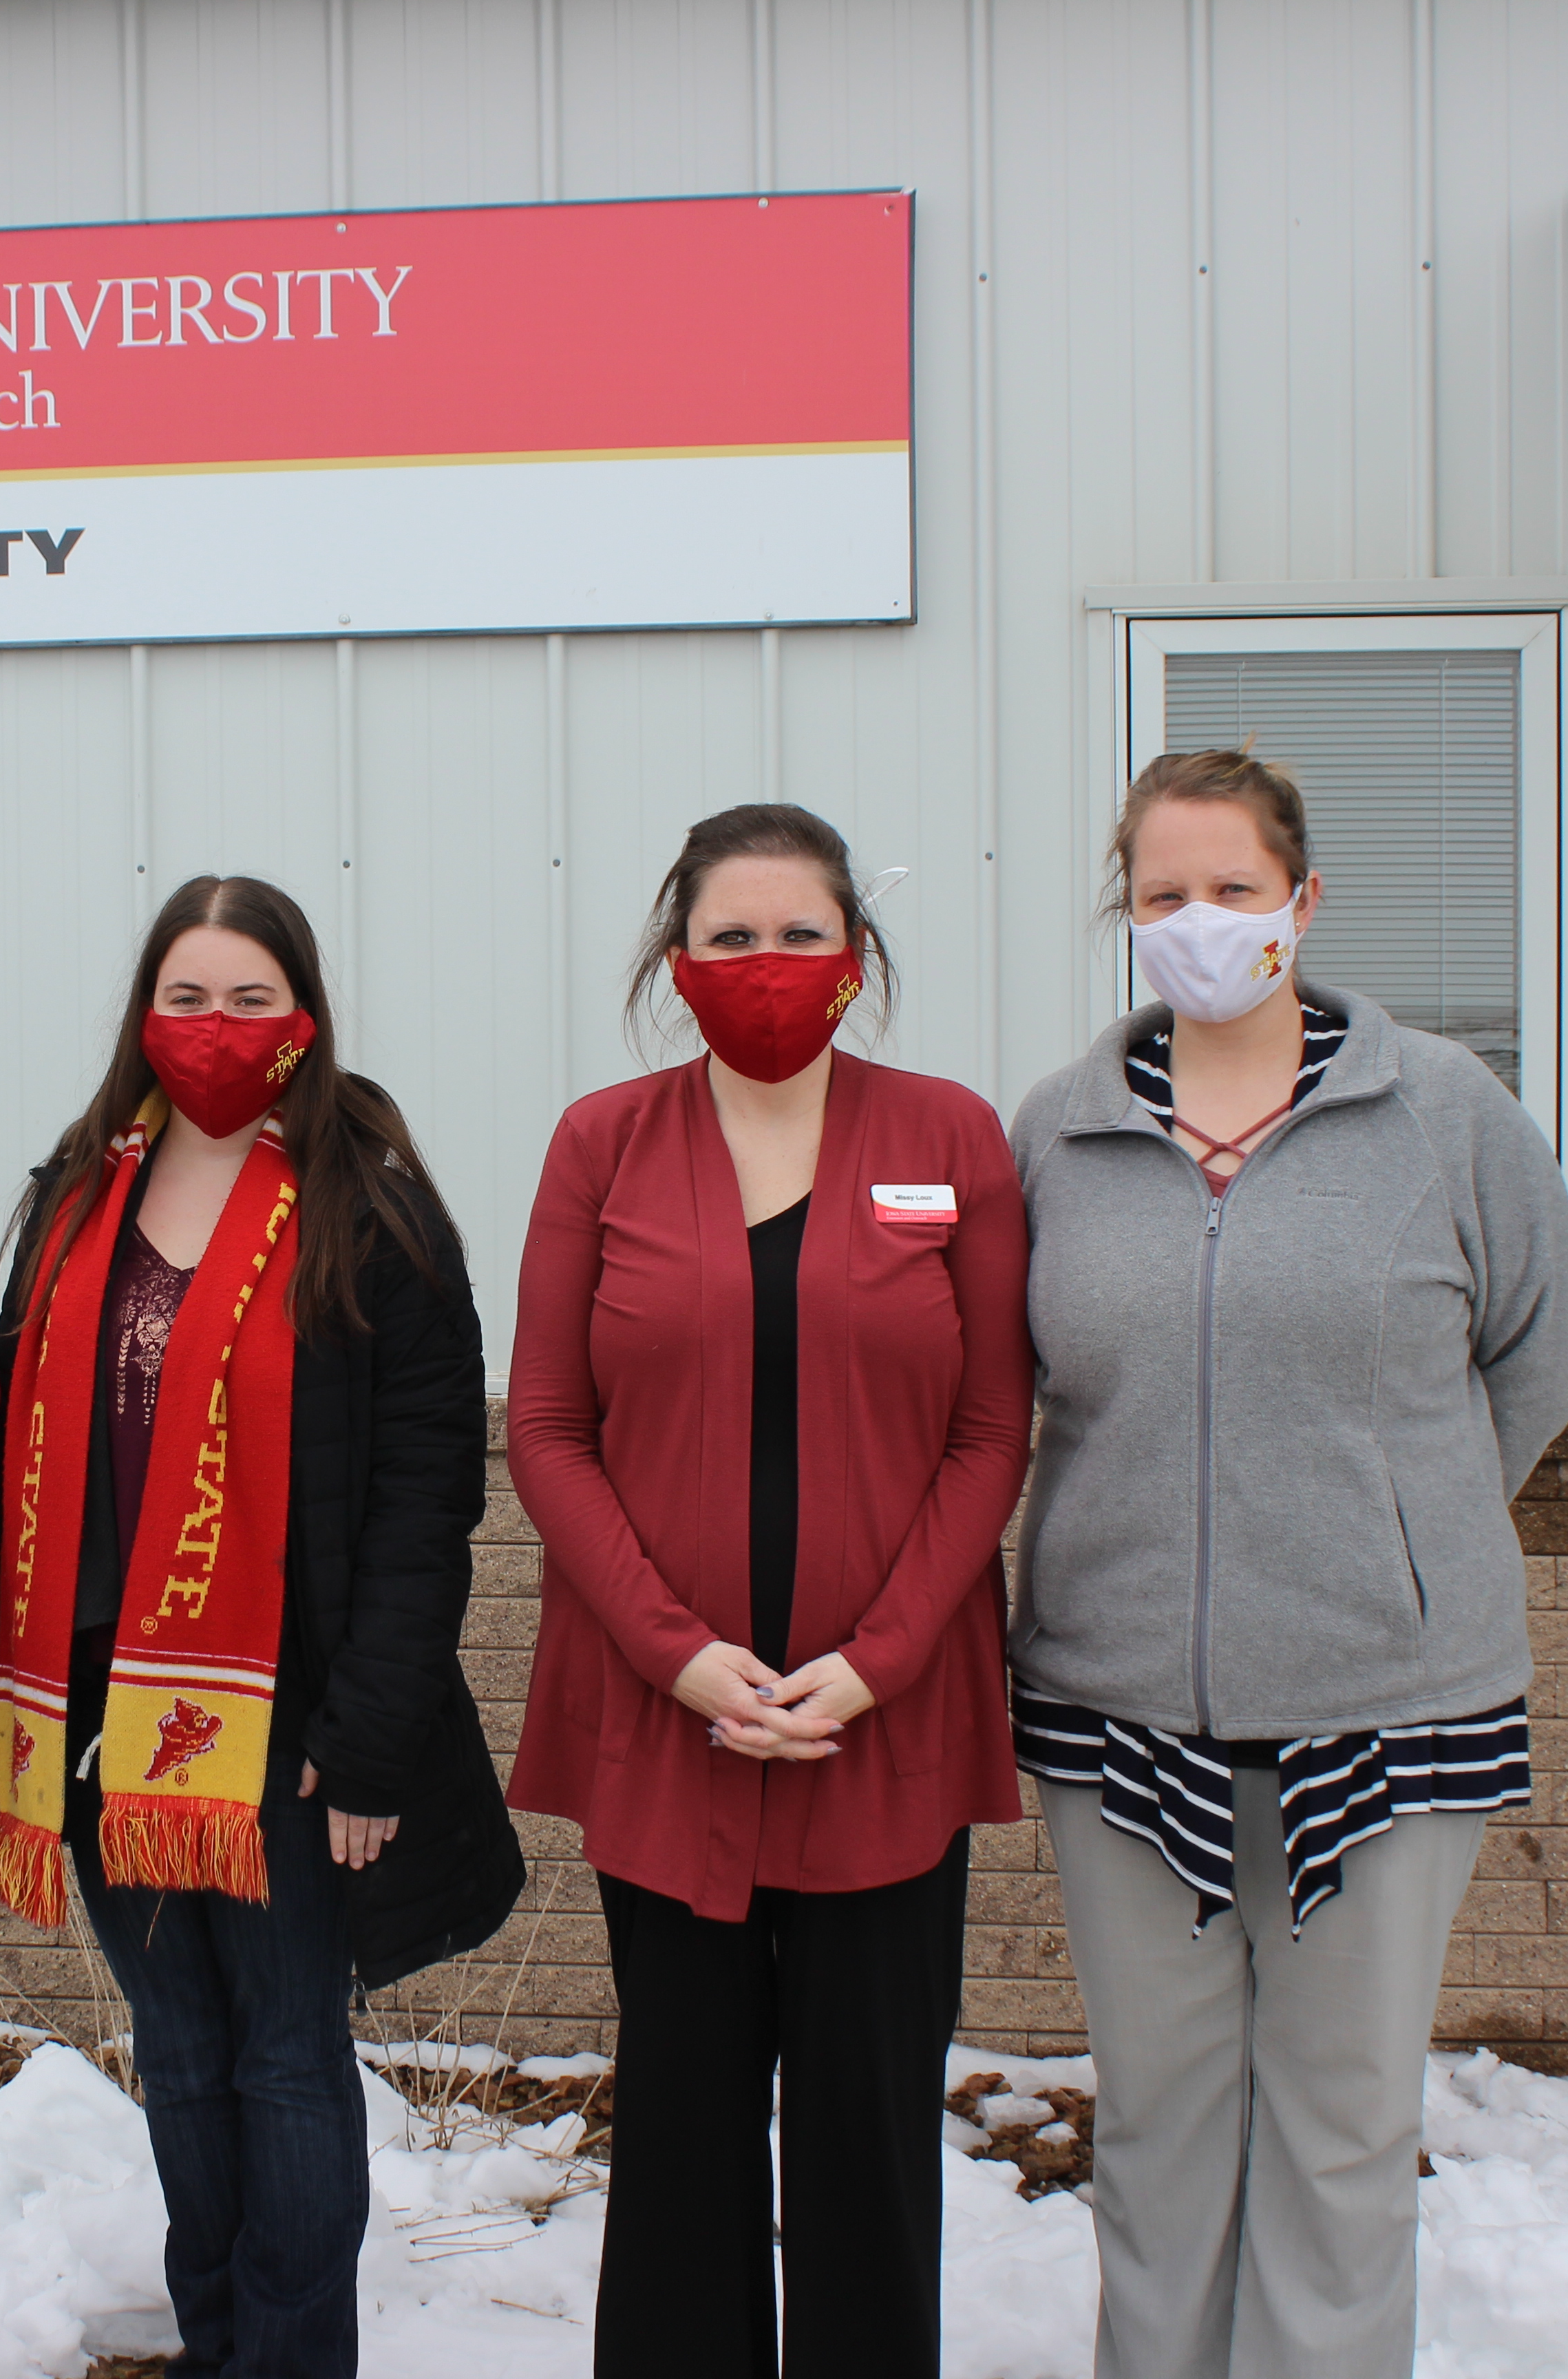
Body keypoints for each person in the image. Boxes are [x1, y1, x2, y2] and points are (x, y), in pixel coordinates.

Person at [1009, 746, 1568, 2379]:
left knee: (1341, 2136)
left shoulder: (1446, 1114)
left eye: (1235, 890)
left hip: (1391, 1713)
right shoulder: (1058, 1131)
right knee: (1160, 2129)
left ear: (1304, 901)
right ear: (1127, 916)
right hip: (1121, 1715)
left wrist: (1406, 1538)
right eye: (1164, 895)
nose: (1201, 922)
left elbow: (1538, 1356)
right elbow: (1006, 1385)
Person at [0, 874, 521, 2379]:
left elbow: (425, 1506)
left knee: (282, 2057)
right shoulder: (77, 1196)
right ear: (147, 1015)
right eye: (189, 997)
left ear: (306, 1019)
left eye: (252, 999)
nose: (217, 1028)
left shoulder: (372, 1213)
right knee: (187, 2053)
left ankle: (288, 2359)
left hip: (281, 1728)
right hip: (90, 1710)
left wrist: (371, 1741)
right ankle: (217, 2344)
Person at [506, 802, 1034, 2379]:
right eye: (731, 937)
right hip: (670, 1723)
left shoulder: (947, 1138)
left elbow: (991, 1427)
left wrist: (875, 1662)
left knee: (871, 2128)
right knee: (682, 2117)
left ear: (856, 959)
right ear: (679, 964)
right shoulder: (603, 1144)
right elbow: (546, 1428)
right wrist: (679, 1660)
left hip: (892, 1718)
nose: (767, 965)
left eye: (800, 934)